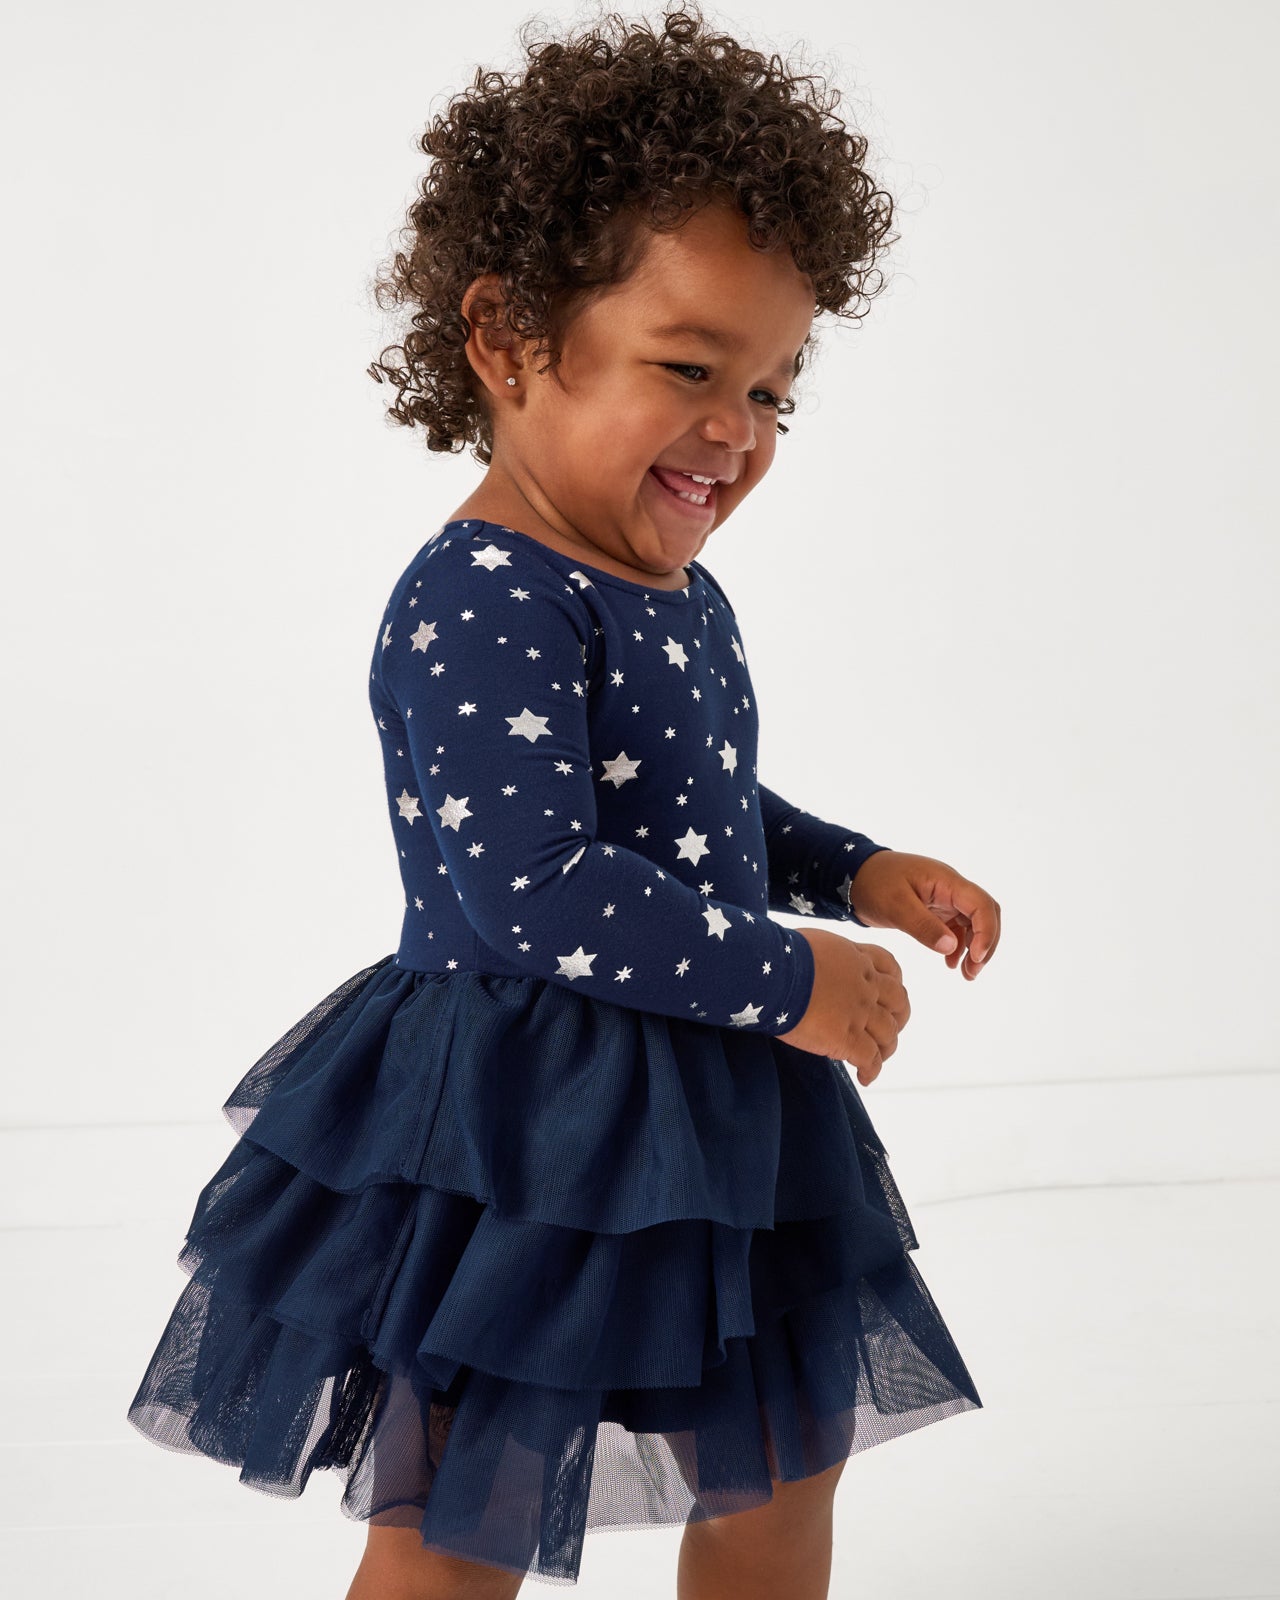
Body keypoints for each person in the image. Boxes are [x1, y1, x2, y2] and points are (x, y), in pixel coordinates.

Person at [126, 7, 1001, 1597]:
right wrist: (796, 975)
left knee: (781, 1470)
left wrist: (859, 872)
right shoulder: (482, 599)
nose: (737, 431)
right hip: (531, 1126)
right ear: (508, 337)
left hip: (726, 1116)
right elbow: (535, 884)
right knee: (466, 1513)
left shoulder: (671, 588)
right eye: (689, 368)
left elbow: (695, 806)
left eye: (776, 389)